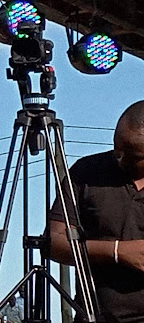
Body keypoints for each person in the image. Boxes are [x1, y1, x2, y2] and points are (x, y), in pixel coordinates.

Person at [49, 100, 144, 323]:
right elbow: (54, 243)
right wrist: (117, 251)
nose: (119, 157)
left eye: (132, 154)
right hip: (94, 316)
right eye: (117, 146)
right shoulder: (86, 172)